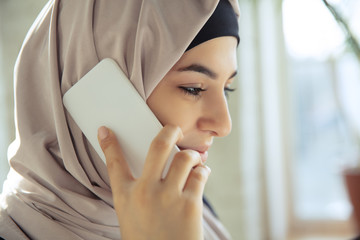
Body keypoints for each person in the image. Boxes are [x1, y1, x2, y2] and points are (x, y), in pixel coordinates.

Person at [0, 0, 240, 239]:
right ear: (92, 86)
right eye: (193, 88)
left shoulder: (186, 207)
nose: (224, 125)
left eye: (228, 89)